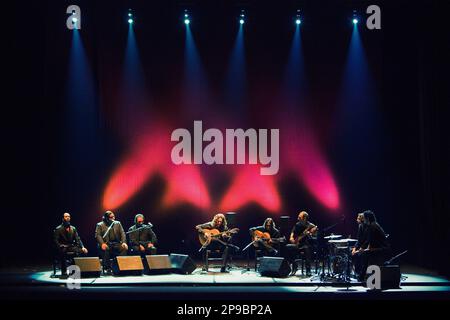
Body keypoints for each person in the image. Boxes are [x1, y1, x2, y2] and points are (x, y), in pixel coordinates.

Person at [358, 210, 391, 281]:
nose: (363, 219)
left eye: (364, 218)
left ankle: (366, 277)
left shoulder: (372, 226)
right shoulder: (373, 224)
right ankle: (363, 276)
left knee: (366, 255)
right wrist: (365, 249)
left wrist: (363, 249)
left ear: (367, 218)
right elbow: (371, 241)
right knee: (365, 254)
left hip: (382, 249)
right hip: (379, 248)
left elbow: (370, 241)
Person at [285, 211, 318, 275]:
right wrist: (291, 237)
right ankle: (294, 266)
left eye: (299, 217)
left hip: (307, 244)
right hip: (297, 244)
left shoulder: (311, 226)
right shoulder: (297, 224)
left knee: (307, 249)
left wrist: (310, 233)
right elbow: (293, 231)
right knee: (287, 247)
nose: (298, 218)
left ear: (304, 218)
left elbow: (316, 235)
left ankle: (308, 270)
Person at [351, 213, 369, 278]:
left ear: (362, 219)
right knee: (351, 253)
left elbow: (367, 240)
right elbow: (359, 240)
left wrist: (361, 248)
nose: (356, 220)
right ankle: (356, 272)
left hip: (367, 247)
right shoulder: (360, 226)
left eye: (358, 218)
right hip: (361, 246)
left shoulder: (367, 227)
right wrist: (354, 248)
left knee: (359, 255)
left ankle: (360, 274)